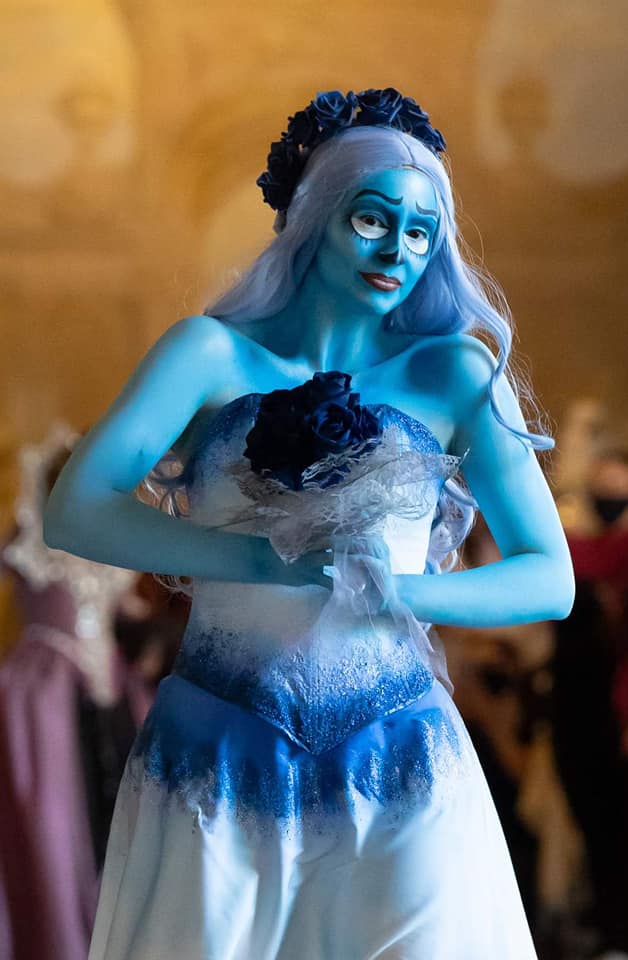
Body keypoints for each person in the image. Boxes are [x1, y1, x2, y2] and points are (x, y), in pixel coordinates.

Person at [44, 89, 575, 960]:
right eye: (373, 219)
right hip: (216, 753)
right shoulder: (207, 354)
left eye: (422, 232)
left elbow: (549, 579)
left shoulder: (454, 373)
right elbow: (74, 510)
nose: (398, 251)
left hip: (403, 757)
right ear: (314, 216)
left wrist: (400, 590)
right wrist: (258, 560)